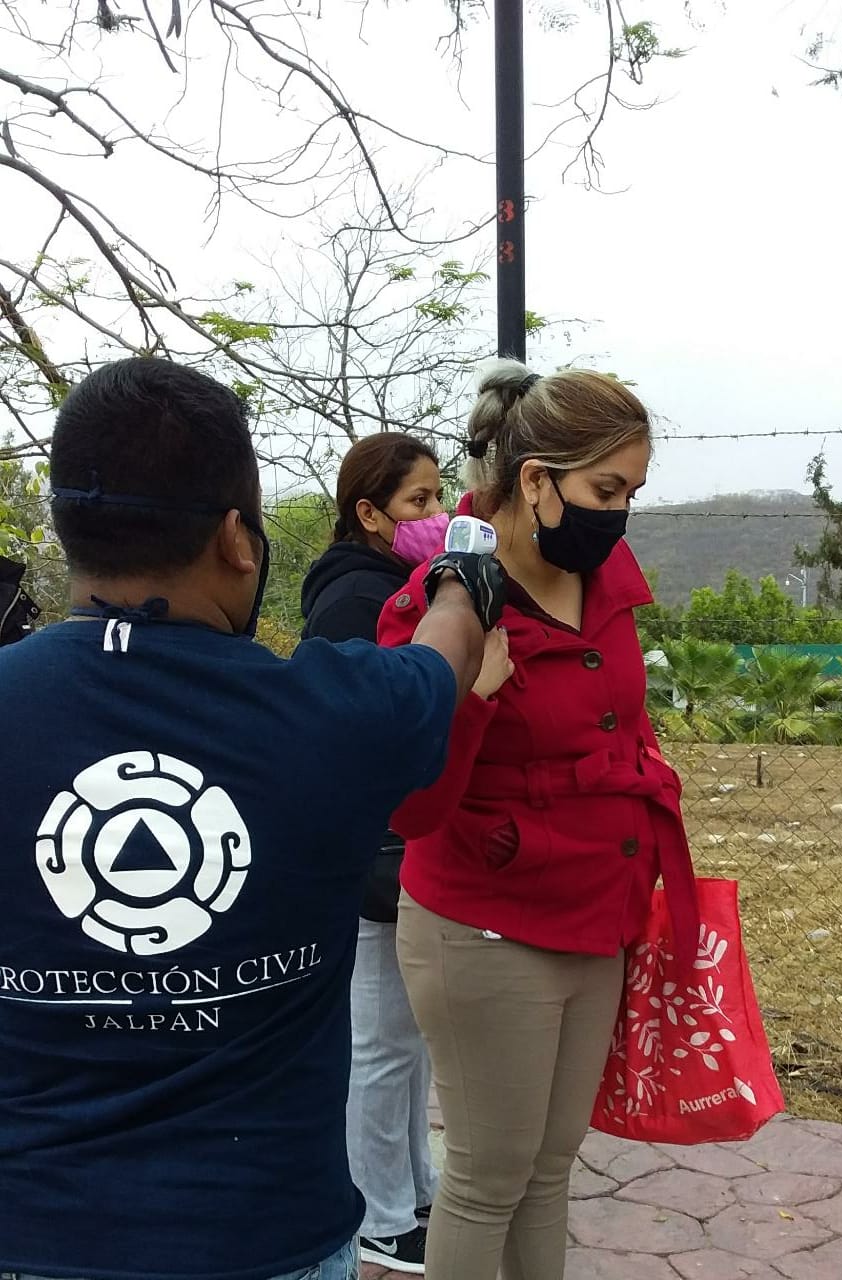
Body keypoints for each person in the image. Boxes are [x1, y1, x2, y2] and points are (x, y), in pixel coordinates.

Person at [0, 357, 503, 1280]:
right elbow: (448, 654)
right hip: (265, 1240)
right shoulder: (336, 711)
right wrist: (461, 577)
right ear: (238, 539)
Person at [378, 360, 699, 1280]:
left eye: (632, 492)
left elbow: (623, 725)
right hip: (485, 923)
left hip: (596, 912)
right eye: (606, 489)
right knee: (487, 1177)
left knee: (550, 1170)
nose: (620, 514)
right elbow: (410, 805)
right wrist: (470, 698)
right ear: (534, 480)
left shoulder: (602, 581)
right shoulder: (441, 610)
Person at [300, 433, 449, 1275]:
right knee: (381, 1042)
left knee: (408, 1035)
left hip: (390, 848)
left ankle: (412, 1186)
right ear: (368, 513)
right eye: (418, 502)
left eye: (438, 496)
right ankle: (379, 1213)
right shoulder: (355, 599)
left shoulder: (395, 584)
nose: (435, 514)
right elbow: (353, 730)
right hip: (370, 853)